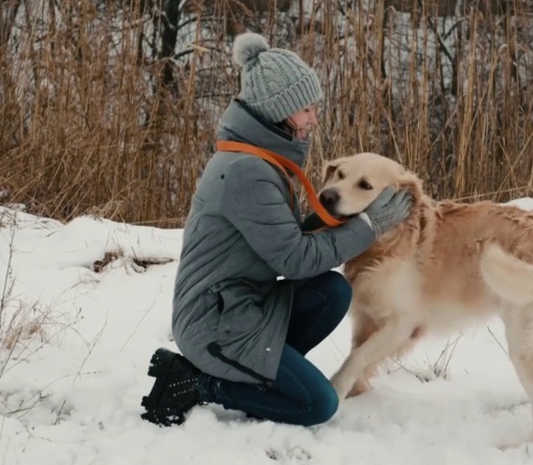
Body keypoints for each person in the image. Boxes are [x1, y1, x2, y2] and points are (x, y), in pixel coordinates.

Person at [139, 32, 413, 428]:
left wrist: (341, 217)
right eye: (306, 109)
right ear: (278, 111)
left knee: (332, 290)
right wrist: (370, 227)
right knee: (317, 405)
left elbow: (280, 239)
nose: (313, 118)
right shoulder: (247, 172)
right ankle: (197, 382)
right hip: (215, 324)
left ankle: (265, 376)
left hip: (243, 305)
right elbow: (294, 259)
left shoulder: (259, 161)